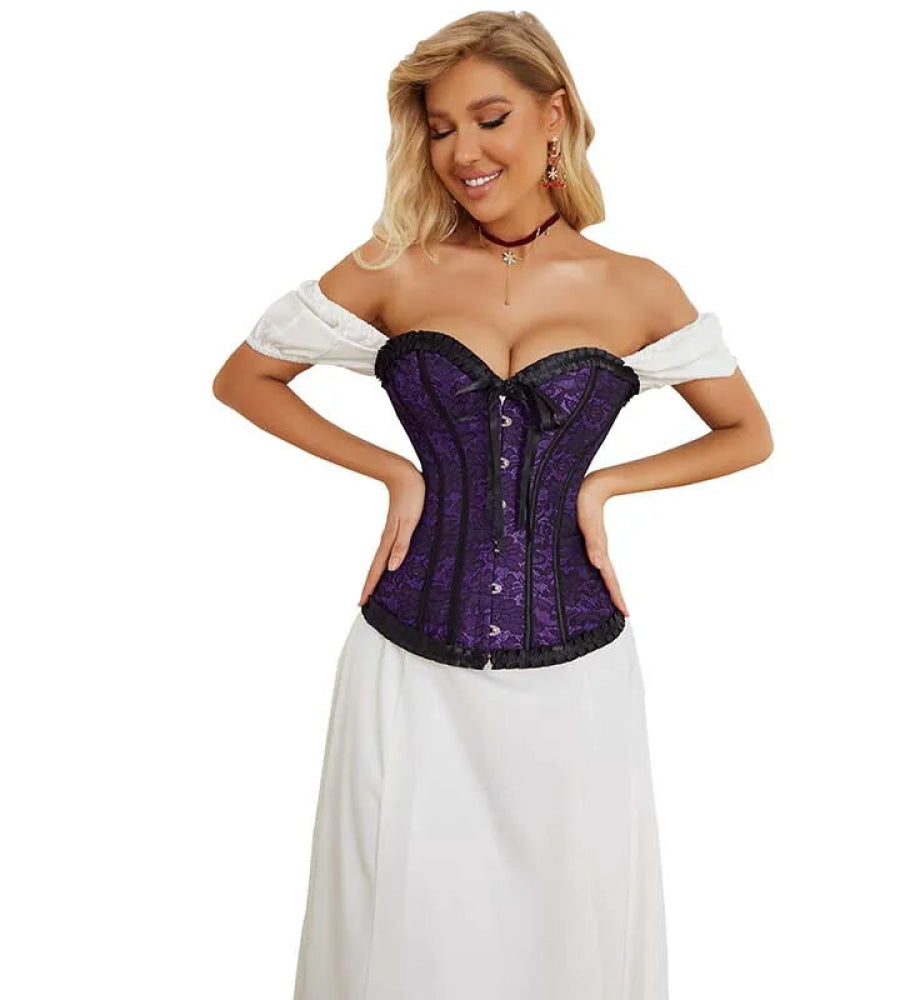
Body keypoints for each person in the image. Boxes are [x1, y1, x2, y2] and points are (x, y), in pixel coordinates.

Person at [213, 11, 772, 999]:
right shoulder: (394, 265)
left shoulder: (636, 287)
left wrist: (605, 484)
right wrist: (396, 471)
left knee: (568, 931)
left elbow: (746, 432)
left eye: (489, 118)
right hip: (407, 662)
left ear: (554, 115)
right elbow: (246, 377)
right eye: (439, 128)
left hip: (576, 675)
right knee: (403, 929)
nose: (461, 152)